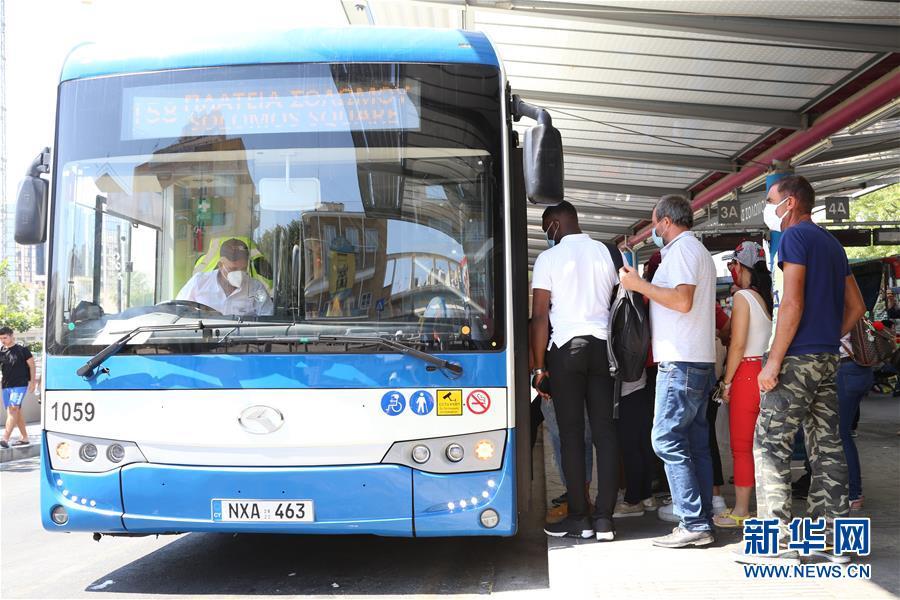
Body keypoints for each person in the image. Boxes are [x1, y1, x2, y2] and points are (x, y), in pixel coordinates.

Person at [738, 175, 866, 565]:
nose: (768, 206)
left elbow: (790, 304)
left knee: (769, 446)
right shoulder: (831, 243)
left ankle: (773, 546)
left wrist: (773, 360)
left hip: (796, 359)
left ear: (790, 202)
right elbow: (857, 306)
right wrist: (827, 335)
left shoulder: (794, 238)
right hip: (829, 358)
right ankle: (836, 543)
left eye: (771, 199)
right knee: (827, 449)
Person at [619, 194, 717, 549]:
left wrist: (638, 285)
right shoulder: (696, 251)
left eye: (654, 223)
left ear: (665, 221)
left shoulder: (683, 251)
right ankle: (701, 519)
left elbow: (682, 300)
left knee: (665, 438)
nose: (653, 230)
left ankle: (692, 521)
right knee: (694, 443)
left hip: (682, 361)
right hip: (696, 358)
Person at [531, 200, 620, 541]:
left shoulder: (548, 259)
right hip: (603, 349)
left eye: (545, 229)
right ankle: (605, 521)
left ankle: (579, 519)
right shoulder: (608, 253)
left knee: (571, 436)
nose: (546, 236)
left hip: (566, 350)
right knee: (605, 434)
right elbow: (616, 302)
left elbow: (540, 316)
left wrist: (539, 368)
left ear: (554, 224)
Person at [713, 242, 772, 528]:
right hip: (763, 371)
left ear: (742, 267)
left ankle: (741, 510)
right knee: (762, 446)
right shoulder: (763, 299)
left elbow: (736, 345)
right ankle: (764, 508)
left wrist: (726, 382)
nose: (730, 270)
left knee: (742, 447)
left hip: (746, 373)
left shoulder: (742, 298)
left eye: (732, 265)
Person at [177, 238, 273, 316]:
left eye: (243, 269)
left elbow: (267, 318)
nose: (239, 274)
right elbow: (177, 311)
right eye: (233, 269)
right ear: (220, 265)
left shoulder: (255, 288)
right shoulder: (199, 282)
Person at [837, 331, 874, 511]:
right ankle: (853, 492)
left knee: (840, 435)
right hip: (858, 370)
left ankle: (853, 493)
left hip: (844, 370)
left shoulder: (835, 305)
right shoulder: (850, 305)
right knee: (844, 434)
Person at [0, 327, 35, 448]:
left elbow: (32, 366)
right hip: (6, 386)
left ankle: (5, 438)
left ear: (11, 336)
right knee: (17, 411)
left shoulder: (22, 350)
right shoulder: (2, 351)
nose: (3, 340)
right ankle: (24, 438)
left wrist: (33, 381)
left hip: (20, 384)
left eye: (5, 338)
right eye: (1, 339)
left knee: (13, 409)